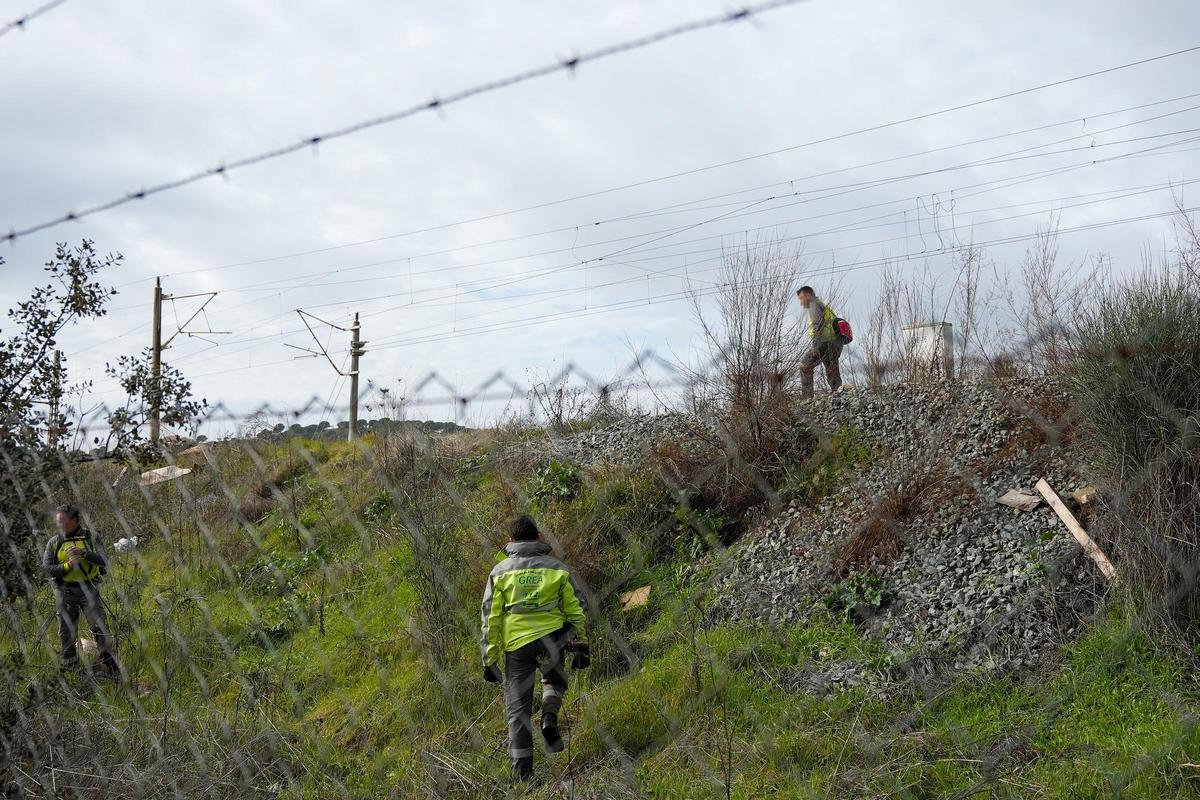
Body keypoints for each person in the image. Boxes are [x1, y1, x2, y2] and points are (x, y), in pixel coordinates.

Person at [480, 515, 589, 782]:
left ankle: (524, 776)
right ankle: (549, 717)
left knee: (518, 710)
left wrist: (489, 658)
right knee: (555, 681)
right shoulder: (558, 569)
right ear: (538, 537)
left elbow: (490, 617)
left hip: (517, 647)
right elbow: (577, 607)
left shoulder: (500, 572)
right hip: (552, 639)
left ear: (511, 540)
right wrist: (582, 643)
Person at [41, 504, 118, 677]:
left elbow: (104, 560)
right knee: (66, 632)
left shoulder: (91, 537)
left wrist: (83, 553)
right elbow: (46, 568)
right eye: (57, 522)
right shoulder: (54, 542)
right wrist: (68, 566)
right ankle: (70, 671)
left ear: (74, 520)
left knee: (99, 628)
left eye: (62, 521)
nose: (59, 525)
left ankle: (110, 667)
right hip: (64, 592)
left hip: (89, 590)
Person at [796, 285, 843, 400]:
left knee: (805, 365)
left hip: (824, 342)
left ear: (808, 295)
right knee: (832, 368)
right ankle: (839, 394)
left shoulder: (814, 305)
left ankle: (807, 399)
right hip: (835, 343)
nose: (801, 302)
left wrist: (816, 347)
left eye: (801, 298)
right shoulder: (822, 305)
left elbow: (818, 324)